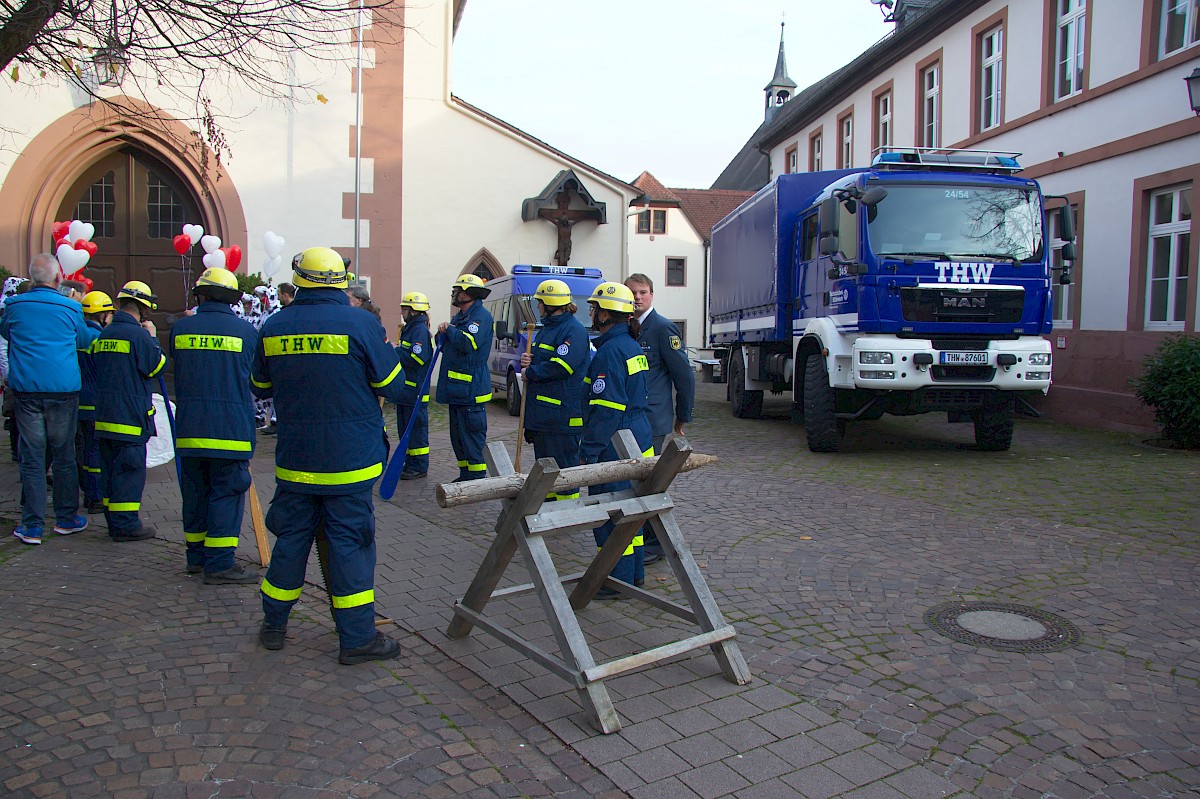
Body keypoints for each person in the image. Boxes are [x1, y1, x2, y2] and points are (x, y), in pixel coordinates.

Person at [250, 247, 406, 664]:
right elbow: (393, 385)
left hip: (296, 461)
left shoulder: (274, 325)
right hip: (350, 463)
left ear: (298, 279)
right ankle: (356, 639)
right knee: (349, 546)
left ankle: (274, 625)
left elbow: (259, 387)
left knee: (291, 541)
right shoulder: (360, 323)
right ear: (340, 281)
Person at [170, 268, 261, 584]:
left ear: (201, 295)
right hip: (230, 432)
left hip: (190, 429)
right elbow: (257, 381)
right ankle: (220, 563)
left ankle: (195, 558)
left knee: (194, 493)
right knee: (226, 493)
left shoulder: (180, 329)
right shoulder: (246, 333)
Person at [0, 254, 98, 544]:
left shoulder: (15, 306)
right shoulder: (69, 307)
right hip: (62, 390)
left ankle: (31, 525)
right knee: (64, 454)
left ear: (32, 279)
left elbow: (7, 331)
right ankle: (66, 519)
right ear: (58, 279)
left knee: (32, 458)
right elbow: (83, 340)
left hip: (27, 391)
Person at [580, 282, 652, 596]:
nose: (592, 312)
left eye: (595, 308)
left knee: (611, 515)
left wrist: (589, 450)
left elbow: (607, 410)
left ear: (608, 314)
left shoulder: (609, 352)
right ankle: (633, 575)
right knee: (631, 513)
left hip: (615, 442)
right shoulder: (630, 345)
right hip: (637, 435)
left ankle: (615, 581)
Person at [625, 274, 695, 562]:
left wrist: (683, 416)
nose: (638, 297)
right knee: (633, 478)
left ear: (652, 295)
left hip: (654, 418)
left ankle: (654, 544)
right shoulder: (625, 327)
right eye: (632, 293)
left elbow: (685, 376)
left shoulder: (663, 328)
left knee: (647, 480)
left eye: (643, 292)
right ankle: (637, 536)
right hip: (629, 415)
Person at [92, 280, 165, 542]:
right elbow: (155, 367)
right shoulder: (138, 336)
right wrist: (153, 338)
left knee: (110, 472)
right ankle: (126, 525)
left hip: (104, 417)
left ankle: (114, 521)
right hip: (130, 419)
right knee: (129, 473)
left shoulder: (105, 334)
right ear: (144, 309)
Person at [518, 279, 588, 500]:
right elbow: (547, 360)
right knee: (545, 471)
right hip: (544, 417)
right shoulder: (548, 330)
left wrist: (531, 372)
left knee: (564, 475)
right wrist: (530, 360)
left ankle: (565, 516)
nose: (537, 307)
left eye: (540, 303)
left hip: (562, 418)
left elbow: (561, 366)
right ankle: (546, 509)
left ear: (550, 304)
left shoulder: (573, 331)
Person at [436, 274, 493, 481]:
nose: (454, 294)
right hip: (456, 390)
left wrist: (450, 331)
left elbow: (468, 343)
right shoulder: (459, 317)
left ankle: (476, 477)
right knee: (458, 437)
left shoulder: (481, 317)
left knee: (471, 437)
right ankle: (465, 474)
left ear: (468, 293)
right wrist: (442, 333)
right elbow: (448, 347)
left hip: (471, 390)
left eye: (458, 290)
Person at [77, 291, 115, 513]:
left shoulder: (78, 335)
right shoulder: (99, 339)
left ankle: (84, 490)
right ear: (102, 315)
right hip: (95, 403)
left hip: (75, 399)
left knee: (79, 450)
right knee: (94, 452)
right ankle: (95, 496)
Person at [393, 291, 432, 480]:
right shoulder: (411, 328)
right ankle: (410, 462)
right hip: (405, 391)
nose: (402, 312)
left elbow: (418, 357)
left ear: (414, 311)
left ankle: (418, 466)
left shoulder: (420, 331)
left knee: (416, 432)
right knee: (405, 430)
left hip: (415, 391)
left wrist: (396, 352)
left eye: (405, 309)